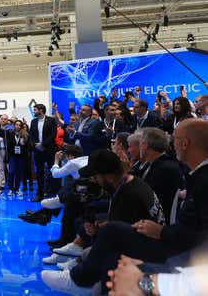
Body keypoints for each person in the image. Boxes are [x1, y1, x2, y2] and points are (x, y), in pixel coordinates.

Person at [41, 119, 208, 294]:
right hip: (175, 242)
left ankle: (79, 279)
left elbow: (200, 237)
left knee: (112, 237)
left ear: (185, 143)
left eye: (174, 139)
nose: (171, 144)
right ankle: (80, 274)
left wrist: (161, 232)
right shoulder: (196, 176)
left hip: (181, 251)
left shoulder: (198, 179)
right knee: (110, 239)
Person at [139, 128, 184, 224]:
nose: (139, 147)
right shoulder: (152, 164)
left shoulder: (166, 169)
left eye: (140, 143)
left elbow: (153, 201)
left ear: (145, 145)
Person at [29, 104, 58, 202]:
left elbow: (53, 135)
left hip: (49, 149)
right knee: (39, 173)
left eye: (35, 110)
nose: (34, 111)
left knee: (53, 171)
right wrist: (36, 145)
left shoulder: (51, 120)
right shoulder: (33, 121)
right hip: (38, 150)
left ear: (41, 110)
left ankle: (56, 193)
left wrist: (43, 144)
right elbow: (31, 135)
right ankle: (39, 194)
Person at [6, 120, 30, 196]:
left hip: (21, 156)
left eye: (19, 125)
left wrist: (23, 144)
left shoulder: (25, 134)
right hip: (12, 156)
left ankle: (16, 189)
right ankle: (10, 189)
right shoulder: (10, 133)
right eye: (16, 124)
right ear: (14, 125)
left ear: (21, 126)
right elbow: (8, 145)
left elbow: (28, 146)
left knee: (19, 173)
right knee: (11, 172)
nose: (18, 126)